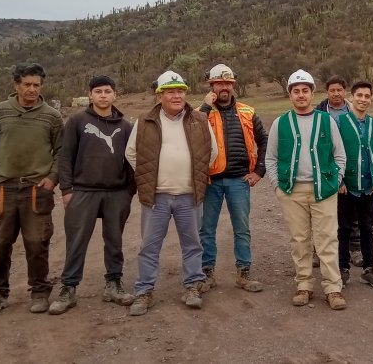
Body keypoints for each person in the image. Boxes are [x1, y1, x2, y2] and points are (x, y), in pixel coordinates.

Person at [124, 70, 218, 315]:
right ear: (160, 96)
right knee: (149, 246)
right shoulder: (144, 121)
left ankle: (192, 286)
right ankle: (144, 291)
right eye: (170, 92)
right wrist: (148, 176)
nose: (177, 96)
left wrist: (195, 173)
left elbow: (213, 153)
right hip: (156, 197)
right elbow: (131, 153)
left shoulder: (199, 119)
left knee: (192, 244)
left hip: (189, 195)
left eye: (180, 91)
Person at [0, 63, 63, 316]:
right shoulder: (0, 112)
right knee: (0, 244)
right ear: (16, 85)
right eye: (26, 84)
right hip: (4, 188)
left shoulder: (51, 115)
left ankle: (39, 292)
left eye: (36, 85)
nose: (31, 89)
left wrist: (52, 178)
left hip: (37, 189)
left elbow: (61, 152)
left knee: (37, 243)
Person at [48, 75, 136, 315]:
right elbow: (65, 157)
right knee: (76, 241)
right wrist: (67, 190)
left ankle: (114, 284)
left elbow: (132, 161)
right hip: (83, 191)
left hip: (116, 192)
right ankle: (68, 288)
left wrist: (129, 191)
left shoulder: (125, 126)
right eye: (98, 91)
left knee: (114, 241)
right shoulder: (77, 121)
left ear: (115, 94)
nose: (103, 95)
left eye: (108, 91)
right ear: (90, 95)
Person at [265, 69, 348, 310]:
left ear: (312, 93)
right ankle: (304, 285)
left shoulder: (326, 120)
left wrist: (336, 179)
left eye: (305, 91)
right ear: (290, 95)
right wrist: (277, 185)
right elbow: (271, 158)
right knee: (299, 240)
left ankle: (333, 288)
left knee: (327, 240)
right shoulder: (281, 123)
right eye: (296, 91)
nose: (301, 95)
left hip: (323, 189)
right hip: (292, 191)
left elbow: (339, 154)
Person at [198, 64, 268, 292]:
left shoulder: (248, 112)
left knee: (242, 229)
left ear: (233, 85)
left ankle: (244, 274)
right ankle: (207, 273)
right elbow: (192, 134)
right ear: (212, 86)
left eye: (228, 83)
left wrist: (259, 171)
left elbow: (264, 141)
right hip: (211, 181)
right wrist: (205, 107)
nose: (224, 87)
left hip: (239, 180)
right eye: (219, 83)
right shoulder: (202, 113)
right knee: (206, 229)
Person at [337, 81, 373, 289]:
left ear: (371, 99)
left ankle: (369, 269)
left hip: (369, 186)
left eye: (367, 96)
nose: (363, 100)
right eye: (359, 95)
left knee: (367, 227)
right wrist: (338, 180)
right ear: (352, 97)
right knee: (344, 229)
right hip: (347, 187)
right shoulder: (340, 122)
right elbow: (333, 152)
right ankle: (342, 268)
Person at [315, 75, 362, 268]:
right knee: (323, 213)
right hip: (326, 167)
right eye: (332, 90)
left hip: (351, 166)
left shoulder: (354, 109)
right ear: (327, 92)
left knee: (353, 212)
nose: (336, 93)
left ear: (345, 91)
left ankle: (355, 249)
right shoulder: (319, 111)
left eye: (339, 90)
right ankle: (320, 251)